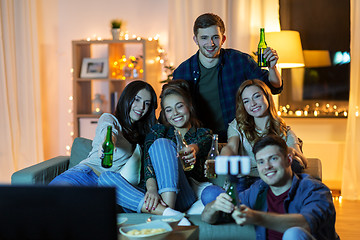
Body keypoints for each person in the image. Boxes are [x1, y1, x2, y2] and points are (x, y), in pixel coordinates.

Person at [98, 79, 212, 216]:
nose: (175, 113)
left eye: (180, 106)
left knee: (162, 143)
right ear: (164, 113)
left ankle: (167, 213)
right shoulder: (158, 131)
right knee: (105, 179)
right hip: (151, 197)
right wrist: (151, 189)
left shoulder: (203, 133)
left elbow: (204, 141)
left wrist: (194, 148)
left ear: (189, 106)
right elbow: (148, 159)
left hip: (182, 195)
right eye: (169, 109)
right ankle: (166, 213)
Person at [201, 135, 339, 240]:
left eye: (273, 158)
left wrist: (256, 217)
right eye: (261, 162)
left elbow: (305, 224)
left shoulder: (315, 190)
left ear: (289, 160)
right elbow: (206, 218)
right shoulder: (258, 190)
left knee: (293, 233)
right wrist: (215, 206)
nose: (267, 166)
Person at [172, 13, 282, 142]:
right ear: (196, 40)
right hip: (201, 140)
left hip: (241, 135)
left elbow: (272, 87)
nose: (210, 43)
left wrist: (273, 68)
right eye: (204, 38)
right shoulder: (183, 72)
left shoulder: (240, 61)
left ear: (223, 39)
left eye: (215, 37)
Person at [201, 79, 307, 205]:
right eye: (246, 101)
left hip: (268, 181)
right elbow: (231, 147)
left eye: (256, 97)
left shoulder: (284, 131)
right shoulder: (238, 126)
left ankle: (243, 207)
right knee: (208, 194)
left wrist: (290, 151)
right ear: (243, 106)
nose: (253, 104)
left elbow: (302, 161)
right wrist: (226, 157)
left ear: (267, 97)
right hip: (243, 181)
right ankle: (247, 206)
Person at [49, 80, 157, 186]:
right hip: (84, 173)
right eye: (137, 100)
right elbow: (109, 130)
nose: (141, 107)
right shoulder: (110, 119)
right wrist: (108, 141)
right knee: (53, 199)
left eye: (146, 103)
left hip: (105, 184)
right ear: (127, 98)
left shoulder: (141, 136)